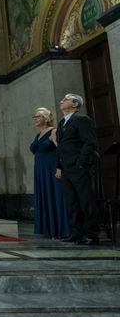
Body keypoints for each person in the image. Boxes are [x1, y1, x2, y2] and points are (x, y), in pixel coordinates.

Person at [55, 93, 98, 245]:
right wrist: (59, 166)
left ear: (75, 104)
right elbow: (60, 148)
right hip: (66, 168)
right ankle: (76, 233)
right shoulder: (61, 124)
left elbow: (89, 142)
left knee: (86, 200)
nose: (62, 101)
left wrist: (81, 162)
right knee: (71, 202)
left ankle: (91, 234)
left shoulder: (82, 120)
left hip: (78, 167)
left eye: (65, 99)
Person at [30, 107, 70, 239]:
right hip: (40, 170)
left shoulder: (53, 131)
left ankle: (61, 230)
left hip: (52, 168)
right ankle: (49, 228)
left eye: (39, 116)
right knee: (45, 195)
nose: (35, 118)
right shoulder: (38, 135)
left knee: (56, 196)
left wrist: (60, 167)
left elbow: (61, 150)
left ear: (47, 118)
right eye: (34, 116)